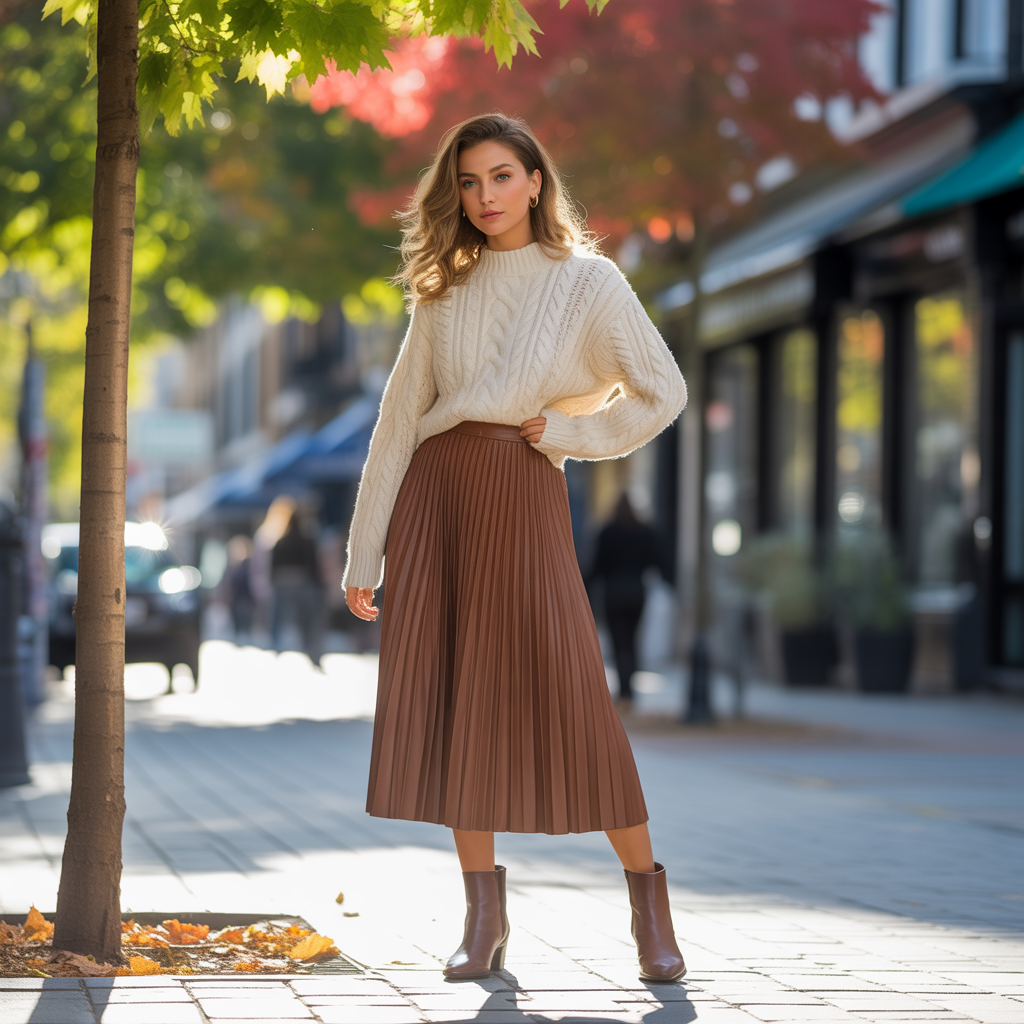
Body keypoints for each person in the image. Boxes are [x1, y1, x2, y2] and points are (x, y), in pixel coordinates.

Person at [343, 113, 688, 983]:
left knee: (575, 696)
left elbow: (662, 390)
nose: (485, 196)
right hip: (438, 498)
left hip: (523, 491)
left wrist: (574, 430)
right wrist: (364, 551)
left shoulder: (589, 282)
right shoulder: (442, 289)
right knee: (461, 700)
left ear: (536, 179)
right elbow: (395, 429)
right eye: (468, 181)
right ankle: (483, 918)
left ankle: (648, 904)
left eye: (501, 176)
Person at [590, 493, 668, 712]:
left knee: (618, 644)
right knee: (633, 643)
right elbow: (659, 562)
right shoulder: (645, 531)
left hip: (613, 593)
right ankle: (629, 693)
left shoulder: (608, 532)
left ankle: (623, 693)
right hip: (637, 593)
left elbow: (596, 566)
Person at [270, 503, 324, 667]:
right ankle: (312, 654)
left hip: (283, 582)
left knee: (279, 618)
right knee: (306, 620)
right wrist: (317, 584)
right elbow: (313, 564)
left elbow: (273, 565)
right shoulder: (306, 540)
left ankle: (276, 649)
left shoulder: (281, 541)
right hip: (302, 582)